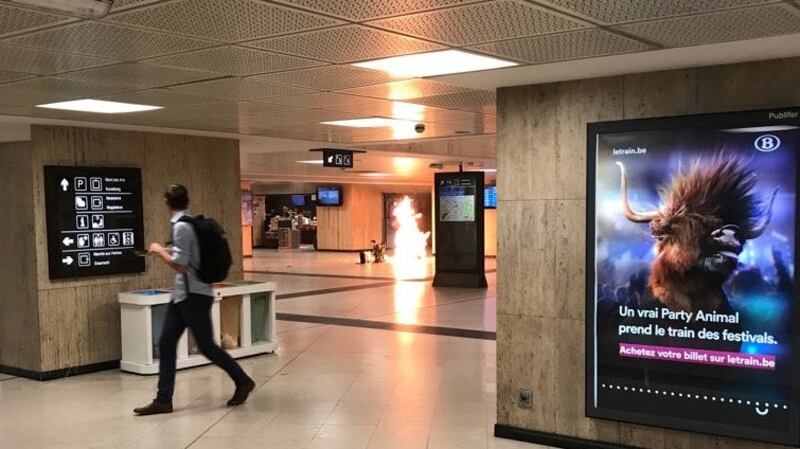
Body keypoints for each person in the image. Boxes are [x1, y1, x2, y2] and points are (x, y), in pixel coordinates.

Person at [134, 184, 255, 416]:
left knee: (207, 346)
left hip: (193, 296)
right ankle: (163, 399)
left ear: (167, 203)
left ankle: (242, 381)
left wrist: (160, 251)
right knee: (167, 344)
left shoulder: (182, 227)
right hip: (182, 296)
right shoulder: (189, 224)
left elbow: (180, 265)